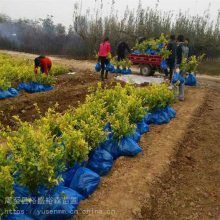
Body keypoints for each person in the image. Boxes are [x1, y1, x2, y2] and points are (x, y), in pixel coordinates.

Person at [176, 35, 185, 101]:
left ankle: (176, 96)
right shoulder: (186, 47)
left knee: (176, 79)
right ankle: (181, 96)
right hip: (184, 65)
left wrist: (177, 65)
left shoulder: (179, 47)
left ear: (178, 39)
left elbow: (179, 57)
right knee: (182, 80)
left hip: (179, 65)